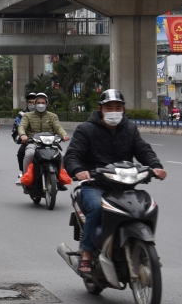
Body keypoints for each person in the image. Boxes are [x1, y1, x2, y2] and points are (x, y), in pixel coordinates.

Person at [63, 89, 167, 274]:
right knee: (96, 208)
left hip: (125, 186)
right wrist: (78, 171)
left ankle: (146, 249)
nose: (113, 111)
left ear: (123, 109)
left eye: (117, 107)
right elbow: (72, 155)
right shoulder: (86, 129)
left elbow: (143, 149)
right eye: (109, 107)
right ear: (100, 109)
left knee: (147, 206)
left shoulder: (129, 128)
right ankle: (87, 252)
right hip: (95, 185)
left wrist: (155, 167)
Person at [17, 92, 68, 186]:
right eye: (38, 102)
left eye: (43, 102)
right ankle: (25, 178)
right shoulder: (27, 116)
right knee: (29, 154)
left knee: (62, 155)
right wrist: (23, 135)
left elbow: (58, 127)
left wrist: (64, 135)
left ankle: (61, 177)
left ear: (47, 104)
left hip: (51, 143)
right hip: (33, 142)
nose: (41, 104)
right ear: (35, 104)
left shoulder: (53, 116)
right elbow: (22, 127)